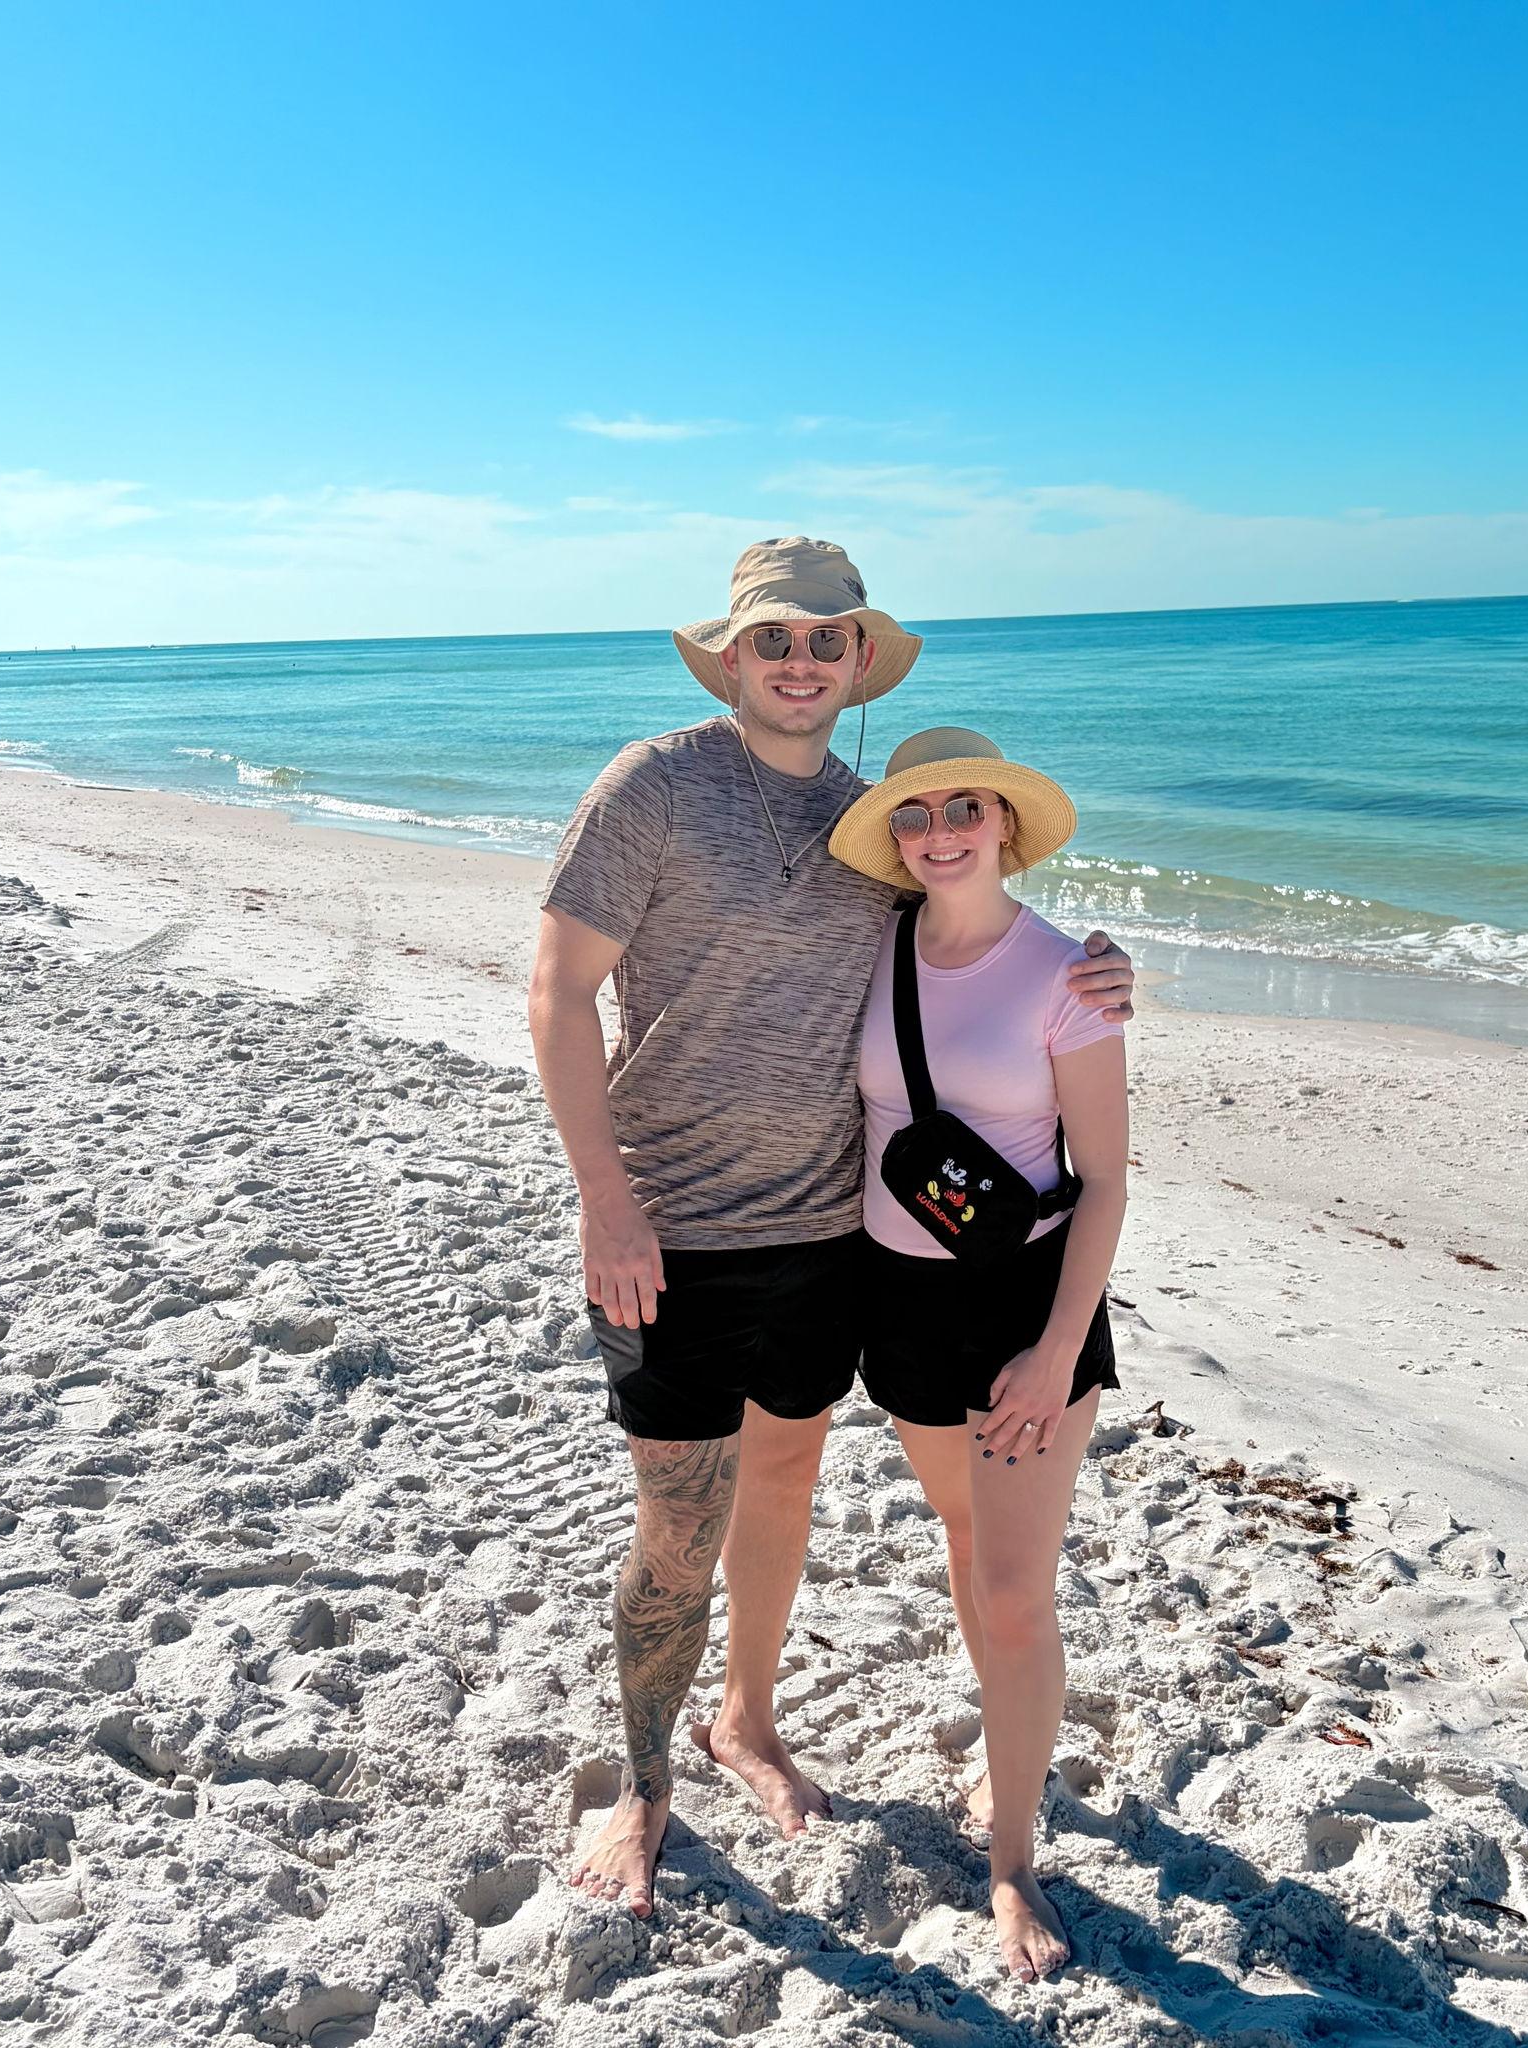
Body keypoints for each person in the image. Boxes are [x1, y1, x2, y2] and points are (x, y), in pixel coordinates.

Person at [526, 539, 1135, 1918]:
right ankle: (644, 1789)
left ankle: (746, 1719)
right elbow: (559, 993)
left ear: (859, 660)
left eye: (825, 639)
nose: (798, 662)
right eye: (774, 638)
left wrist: (1106, 970)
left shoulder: (880, 826)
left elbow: (988, 937)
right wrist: (604, 1199)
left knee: (788, 1476)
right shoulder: (652, 786)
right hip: (667, 1226)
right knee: (676, 1528)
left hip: (828, 1238)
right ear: (731, 655)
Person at [826, 729, 1129, 1984]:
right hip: (897, 1294)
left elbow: (1104, 1180)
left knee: (1012, 1591)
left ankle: (1011, 1855)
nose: (939, 830)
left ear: (1003, 822)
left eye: (964, 808)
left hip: (1024, 1304)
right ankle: (1011, 1746)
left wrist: (1056, 1350)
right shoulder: (870, 942)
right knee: (962, 1535)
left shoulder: (1068, 975)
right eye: (915, 813)